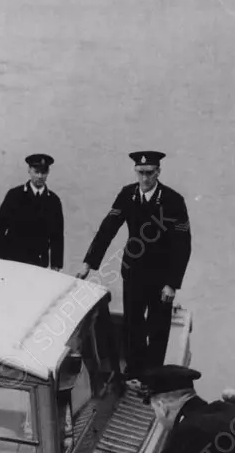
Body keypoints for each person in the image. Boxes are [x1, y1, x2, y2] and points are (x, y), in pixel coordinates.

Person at [75, 152, 191, 380]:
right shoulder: (127, 195)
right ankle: (133, 374)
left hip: (162, 276)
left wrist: (172, 284)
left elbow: (183, 245)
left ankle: (153, 378)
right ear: (135, 171)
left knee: (158, 329)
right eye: (141, 173)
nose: (145, 178)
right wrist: (89, 263)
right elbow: (107, 228)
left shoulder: (173, 200)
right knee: (132, 325)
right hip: (134, 271)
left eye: (150, 173)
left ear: (158, 172)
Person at [0, 154, 64, 270]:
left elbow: (57, 236)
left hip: (38, 262)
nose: (40, 176)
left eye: (43, 172)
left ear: (48, 172)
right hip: (12, 260)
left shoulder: (53, 201)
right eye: (36, 171)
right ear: (29, 170)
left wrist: (56, 265)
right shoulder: (14, 195)